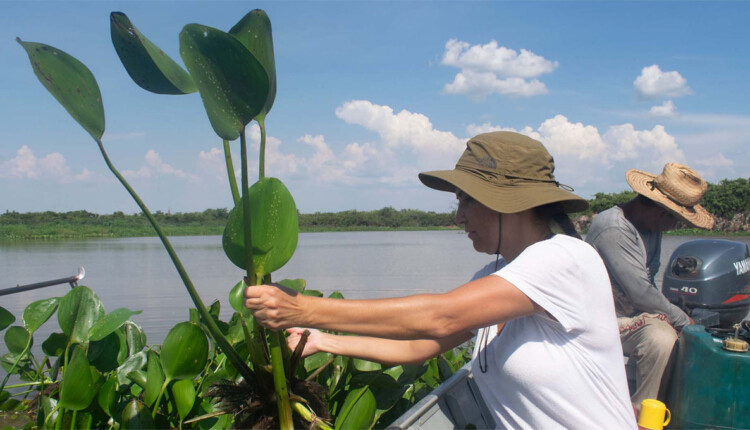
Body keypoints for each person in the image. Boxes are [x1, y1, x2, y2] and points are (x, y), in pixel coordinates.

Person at [245, 131, 637, 429]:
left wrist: (304, 308)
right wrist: (323, 340)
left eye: (467, 200)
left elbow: (441, 317)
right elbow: (423, 344)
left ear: (509, 202)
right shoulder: (494, 278)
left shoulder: (566, 257)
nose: (458, 217)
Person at [585, 162, 715, 410]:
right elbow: (641, 293)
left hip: (632, 318)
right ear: (661, 212)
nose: (676, 227)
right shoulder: (614, 227)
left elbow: (649, 285)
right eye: (676, 221)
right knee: (661, 337)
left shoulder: (651, 227)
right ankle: (642, 415)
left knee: (687, 336)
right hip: (601, 320)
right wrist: (683, 320)